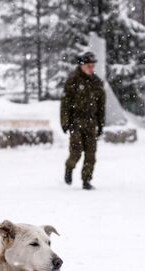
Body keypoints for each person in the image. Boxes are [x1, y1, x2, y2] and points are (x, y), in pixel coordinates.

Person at [60, 51, 105, 190]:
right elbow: (65, 104)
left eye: (93, 66)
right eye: (89, 66)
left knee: (91, 154)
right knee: (76, 151)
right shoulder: (73, 80)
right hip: (76, 122)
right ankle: (69, 167)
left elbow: (101, 106)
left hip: (91, 123)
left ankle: (86, 180)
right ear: (82, 66)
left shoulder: (97, 82)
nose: (91, 69)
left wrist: (100, 124)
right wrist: (65, 122)